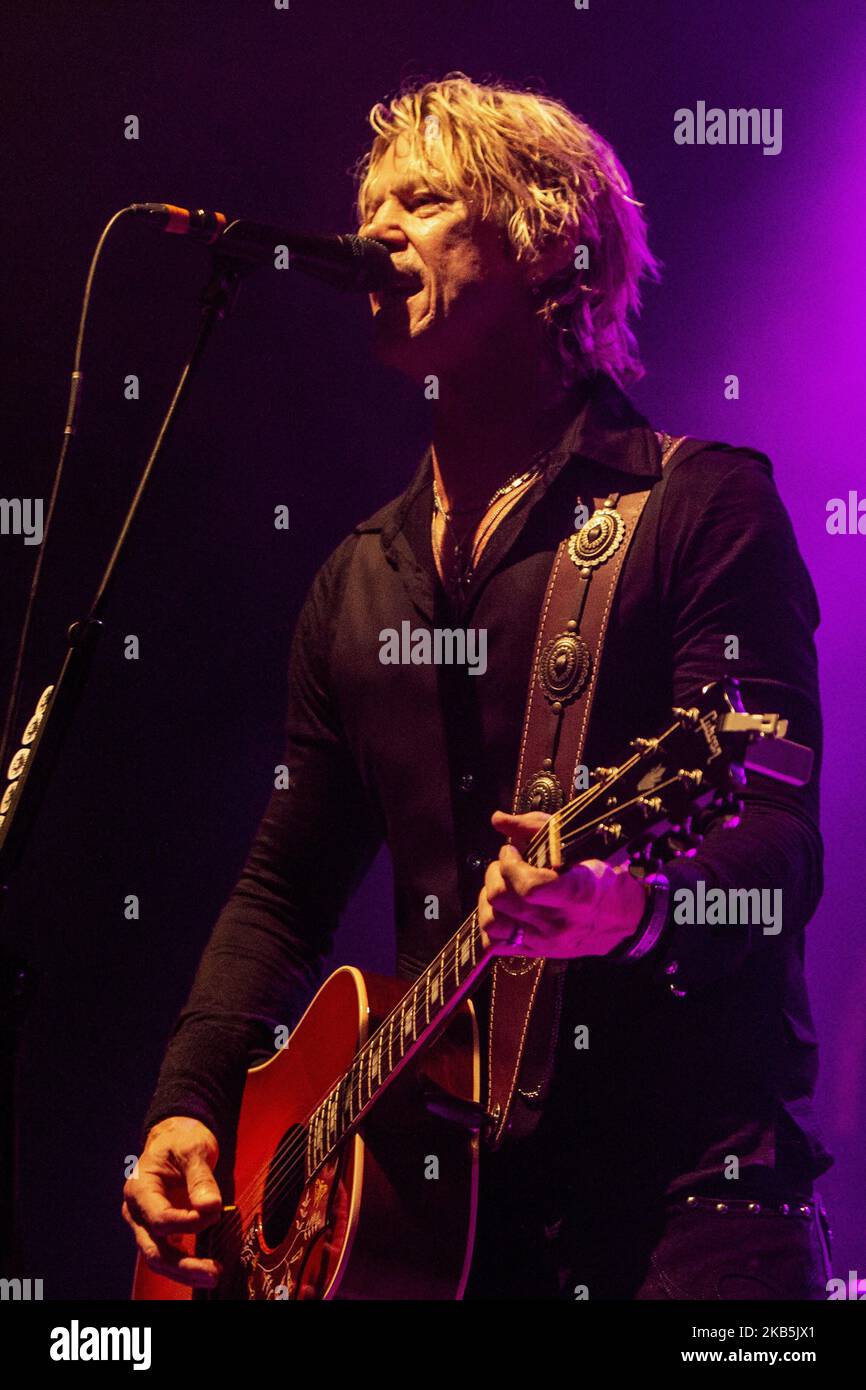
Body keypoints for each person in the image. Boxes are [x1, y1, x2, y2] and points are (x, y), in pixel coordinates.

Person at [123, 73, 832, 1300]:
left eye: (426, 199)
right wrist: (190, 1102)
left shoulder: (696, 505)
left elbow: (779, 847)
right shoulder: (358, 579)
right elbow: (282, 890)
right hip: (448, 1226)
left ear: (553, 243)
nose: (376, 231)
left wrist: (635, 907)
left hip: (686, 1206)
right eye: (371, 206)